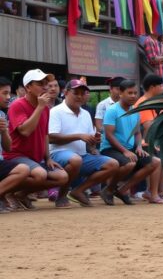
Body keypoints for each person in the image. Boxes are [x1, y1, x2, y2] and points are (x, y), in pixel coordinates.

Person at [3, 69, 69, 210]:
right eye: (40, 83)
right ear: (28, 87)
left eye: (46, 83)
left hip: (35, 159)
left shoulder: (45, 109)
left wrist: (48, 158)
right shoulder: (18, 105)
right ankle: (8, 192)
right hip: (16, 156)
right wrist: (39, 107)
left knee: (62, 176)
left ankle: (20, 194)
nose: (45, 87)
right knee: (40, 174)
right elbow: (25, 131)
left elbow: (45, 134)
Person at [48, 80, 120, 207]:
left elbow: (89, 140)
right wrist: (79, 136)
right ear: (66, 92)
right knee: (75, 160)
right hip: (57, 154)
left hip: (81, 156)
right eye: (76, 93)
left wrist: (94, 142)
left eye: (83, 93)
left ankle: (78, 191)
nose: (80, 96)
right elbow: (51, 137)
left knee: (113, 164)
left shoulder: (85, 113)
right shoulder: (56, 111)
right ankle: (62, 196)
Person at [100, 80, 163, 205]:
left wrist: (139, 146)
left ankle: (122, 191)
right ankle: (108, 190)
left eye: (135, 93)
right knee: (129, 163)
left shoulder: (135, 111)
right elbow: (109, 135)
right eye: (129, 93)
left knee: (156, 162)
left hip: (129, 148)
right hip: (110, 148)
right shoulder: (112, 110)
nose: (133, 96)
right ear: (121, 93)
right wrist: (125, 151)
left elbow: (137, 133)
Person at [134, 74, 163, 200]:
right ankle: (151, 191)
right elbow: (148, 126)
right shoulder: (144, 102)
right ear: (152, 87)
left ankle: (161, 191)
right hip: (142, 142)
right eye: (161, 85)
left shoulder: (155, 102)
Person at [0, 77, 31, 213]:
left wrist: (4, 131)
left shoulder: (1, 114)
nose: (8, 97)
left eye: (9, 93)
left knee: (23, 169)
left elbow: (7, 148)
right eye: (4, 93)